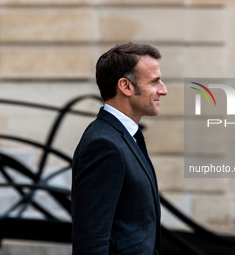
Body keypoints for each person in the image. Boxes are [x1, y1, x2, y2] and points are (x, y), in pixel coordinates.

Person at [71, 42, 168, 255]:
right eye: (155, 81)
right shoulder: (104, 145)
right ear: (125, 87)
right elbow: (91, 240)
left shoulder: (124, 136)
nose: (164, 90)